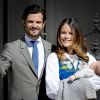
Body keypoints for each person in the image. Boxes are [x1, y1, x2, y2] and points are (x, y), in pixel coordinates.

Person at [0, 4, 53, 100]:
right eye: (30, 22)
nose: (34, 25)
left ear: (43, 24)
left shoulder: (51, 48)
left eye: (38, 22)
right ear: (24, 22)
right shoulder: (11, 48)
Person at [45, 18, 98, 100]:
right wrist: (84, 86)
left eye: (71, 33)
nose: (66, 36)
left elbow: (98, 81)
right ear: (59, 35)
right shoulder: (54, 58)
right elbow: (52, 90)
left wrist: (65, 86)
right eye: (63, 33)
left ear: (77, 35)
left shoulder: (87, 57)